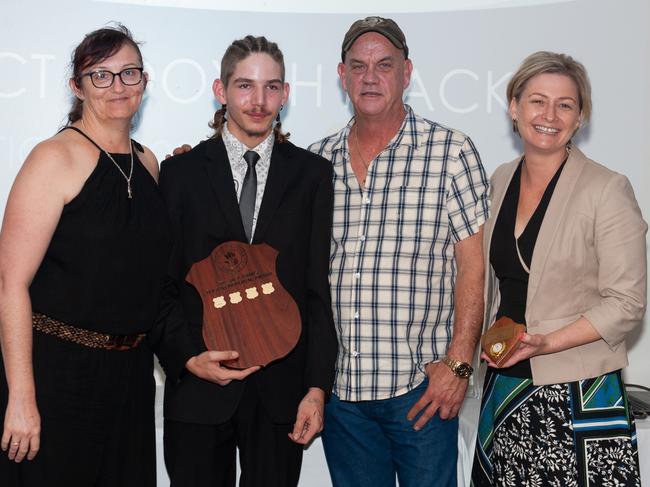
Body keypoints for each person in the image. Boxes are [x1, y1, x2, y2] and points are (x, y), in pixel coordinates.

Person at [308, 16, 489, 487]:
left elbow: (474, 268)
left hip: (422, 389)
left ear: (406, 74)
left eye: (384, 65)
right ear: (342, 74)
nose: (370, 77)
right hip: (342, 395)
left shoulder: (451, 151)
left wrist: (459, 365)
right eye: (358, 66)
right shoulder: (315, 160)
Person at [150, 35, 337, 487]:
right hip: (199, 388)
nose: (259, 101)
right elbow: (159, 285)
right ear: (221, 90)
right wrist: (188, 358)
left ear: (286, 94)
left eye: (272, 87)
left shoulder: (312, 175)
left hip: (280, 393)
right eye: (245, 86)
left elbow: (316, 288)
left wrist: (316, 389)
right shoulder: (179, 175)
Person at [0, 25, 170, 486]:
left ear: (144, 82)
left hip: (131, 379)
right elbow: (10, 284)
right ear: (77, 86)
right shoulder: (53, 159)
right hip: (57, 377)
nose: (118, 86)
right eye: (101, 75)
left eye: (128, 73)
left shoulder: (149, 162)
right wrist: (21, 396)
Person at [471, 51, 646, 486]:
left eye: (565, 104)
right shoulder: (498, 180)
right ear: (514, 107)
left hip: (578, 392)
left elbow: (626, 303)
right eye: (537, 100)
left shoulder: (607, 188)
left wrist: (546, 342)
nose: (549, 115)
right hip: (503, 386)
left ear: (580, 116)